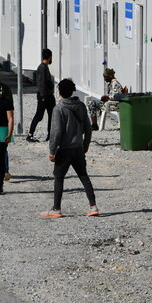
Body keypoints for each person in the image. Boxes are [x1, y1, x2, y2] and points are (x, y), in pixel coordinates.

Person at [41, 78, 98, 218]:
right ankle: (93, 206)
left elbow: (56, 132)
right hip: (78, 147)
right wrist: (86, 144)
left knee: (59, 177)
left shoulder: (59, 108)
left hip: (64, 149)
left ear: (59, 91)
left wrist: (52, 150)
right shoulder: (81, 106)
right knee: (84, 176)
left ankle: (56, 208)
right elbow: (88, 128)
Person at [27, 48, 54, 142]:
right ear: (50, 57)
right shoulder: (42, 68)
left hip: (48, 96)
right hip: (45, 96)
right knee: (39, 115)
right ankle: (30, 134)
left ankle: (51, 134)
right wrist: (43, 96)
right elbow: (42, 83)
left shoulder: (44, 67)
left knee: (52, 115)